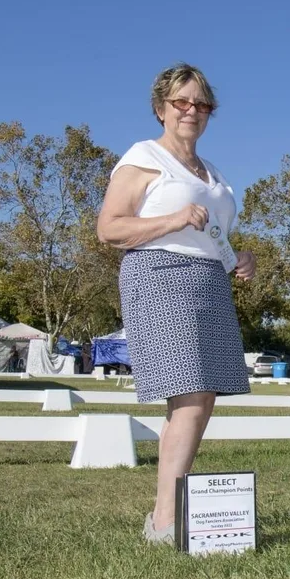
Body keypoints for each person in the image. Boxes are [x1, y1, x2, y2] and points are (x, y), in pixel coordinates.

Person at [97, 63, 257, 545]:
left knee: (200, 399)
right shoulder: (144, 158)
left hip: (209, 281)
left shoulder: (213, 173)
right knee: (189, 396)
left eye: (201, 104)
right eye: (181, 103)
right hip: (160, 275)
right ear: (160, 109)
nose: (192, 111)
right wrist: (172, 218)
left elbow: (211, 235)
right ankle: (167, 521)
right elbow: (109, 228)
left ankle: (167, 512)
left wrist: (238, 257)